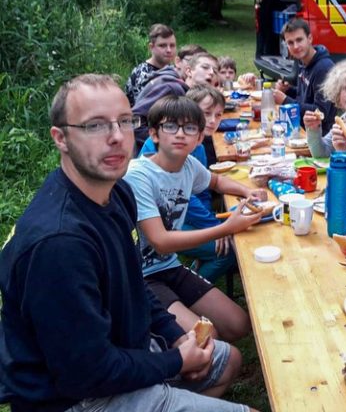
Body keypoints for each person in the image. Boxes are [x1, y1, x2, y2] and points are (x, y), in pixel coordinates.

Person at [0, 74, 254, 412]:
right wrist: (175, 361)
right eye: (95, 126)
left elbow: (134, 281)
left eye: (124, 121)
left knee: (227, 360)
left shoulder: (116, 192)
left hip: (125, 348)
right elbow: (87, 374)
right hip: (78, 397)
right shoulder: (59, 244)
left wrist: (174, 333)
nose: (117, 137)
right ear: (60, 138)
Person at [124, 95, 261, 343]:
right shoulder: (139, 175)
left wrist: (246, 191)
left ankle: (181, 315)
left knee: (239, 325)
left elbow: (216, 181)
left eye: (189, 128)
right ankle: (156, 338)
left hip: (169, 266)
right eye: (170, 126)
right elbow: (161, 241)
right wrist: (224, 229)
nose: (180, 134)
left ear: (199, 138)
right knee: (205, 338)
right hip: (140, 276)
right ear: (154, 134)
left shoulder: (188, 165)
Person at [139, 85, 234, 283]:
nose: (212, 120)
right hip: (163, 230)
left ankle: (193, 276)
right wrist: (215, 227)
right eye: (206, 113)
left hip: (180, 220)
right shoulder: (165, 150)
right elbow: (182, 198)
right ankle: (193, 285)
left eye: (218, 115)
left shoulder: (194, 149)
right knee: (229, 250)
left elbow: (208, 185)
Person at [132, 52, 220, 155]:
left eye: (215, 70)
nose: (211, 72)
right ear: (189, 71)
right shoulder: (172, 90)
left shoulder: (190, 94)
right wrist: (161, 142)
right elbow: (133, 119)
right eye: (205, 67)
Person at [272, 18, 336, 133]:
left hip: (319, 136)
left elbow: (320, 112)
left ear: (310, 38)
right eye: (290, 43)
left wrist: (285, 100)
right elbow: (305, 95)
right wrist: (287, 90)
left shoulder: (324, 68)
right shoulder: (302, 61)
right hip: (300, 128)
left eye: (299, 40)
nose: (295, 46)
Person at [125, 24, 177, 105]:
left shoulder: (174, 69)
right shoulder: (142, 74)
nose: (169, 50)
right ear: (151, 47)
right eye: (163, 46)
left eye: (172, 45)